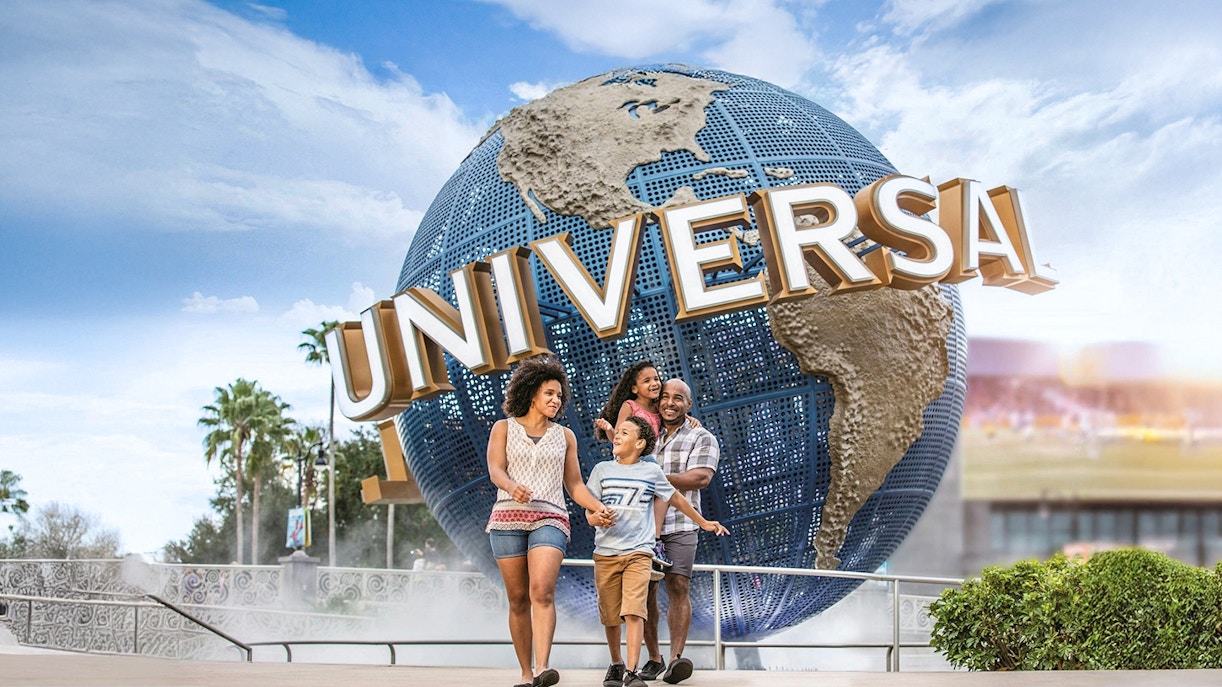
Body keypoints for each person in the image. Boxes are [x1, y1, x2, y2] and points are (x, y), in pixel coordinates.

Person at [486, 355, 614, 687]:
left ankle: (543, 668)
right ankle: (526, 674)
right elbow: (495, 470)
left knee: (541, 590)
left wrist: (596, 507)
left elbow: (574, 485)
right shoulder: (503, 428)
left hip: (550, 516)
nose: (556, 400)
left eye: (559, 395)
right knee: (517, 599)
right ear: (532, 394)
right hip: (506, 518)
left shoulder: (565, 436)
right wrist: (512, 486)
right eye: (549, 394)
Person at [586, 416, 728, 687]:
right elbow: (589, 508)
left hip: (639, 551)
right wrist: (594, 519)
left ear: (639, 444)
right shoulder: (601, 470)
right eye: (618, 433)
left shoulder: (651, 473)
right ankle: (616, 663)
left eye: (624, 433)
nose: (617, 436)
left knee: (634, 611)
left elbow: (676, 498)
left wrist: (704, 522)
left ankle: (631, 671)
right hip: (606, 552)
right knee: (611, 615)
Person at [639, 379, 721, 684]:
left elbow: (700, 478)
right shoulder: (645, 433)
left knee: (677, 587)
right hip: (643, 525)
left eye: (678, 398)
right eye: (665, 397)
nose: (670, 403)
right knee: (644, 593)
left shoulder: (703, 437)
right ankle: (653, 659)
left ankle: (675, 660)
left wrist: (653, 477)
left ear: (689, 404)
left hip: (682, 524)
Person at [593, 361, 671, 572]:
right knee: (664, 489)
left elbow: (675, 416)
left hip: (647, 462)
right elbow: (619, 438)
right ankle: (650, 543)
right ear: (634, 388)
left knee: (662, 494)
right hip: (635, 459)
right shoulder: (630, 405)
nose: (654, 383)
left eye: (656, 378)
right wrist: (610, 429)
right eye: (647, 381)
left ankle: (651, 543)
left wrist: (690, 419)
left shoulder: (658, 408)